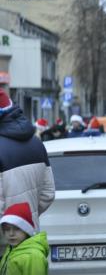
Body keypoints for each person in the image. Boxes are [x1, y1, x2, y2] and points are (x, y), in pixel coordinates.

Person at [0, 88, 55, 232]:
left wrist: (8, 228)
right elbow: (48, 193)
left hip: (4, 241)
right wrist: (24, 219)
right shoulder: (37, 143)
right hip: (29, 235)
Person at [0, 202, 49, 274]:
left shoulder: (33, 256)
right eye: (7, 229)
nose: (11, 234)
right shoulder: (11, 249)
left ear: (27, 230)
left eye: (17, 229)